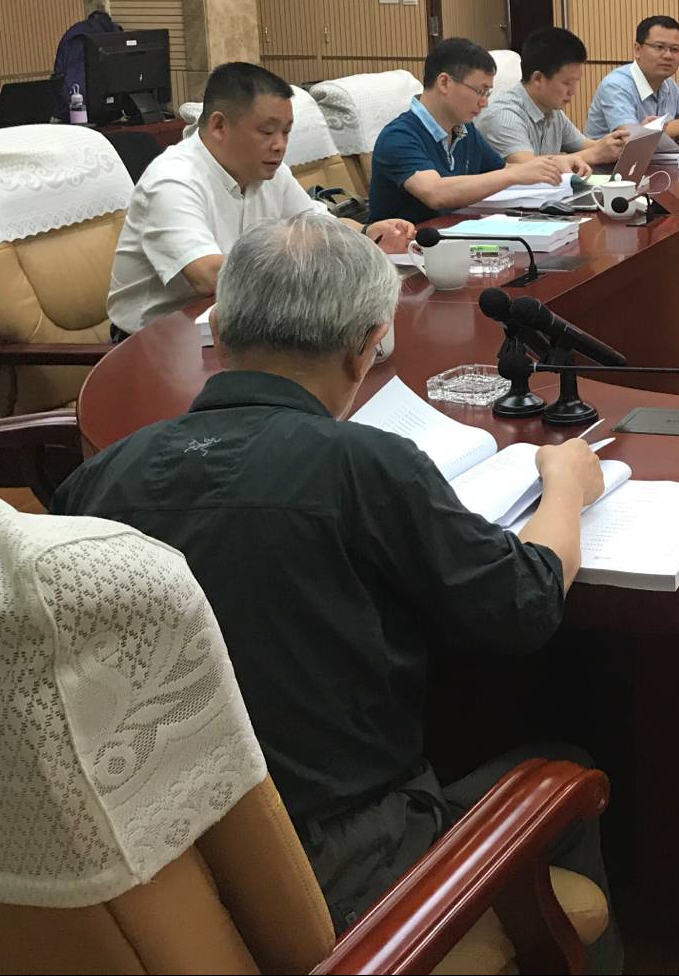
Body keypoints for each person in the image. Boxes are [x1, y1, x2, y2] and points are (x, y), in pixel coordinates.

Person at [59, 214, 622, 968]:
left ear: (218, 333)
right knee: (563, 767)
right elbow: (525, 605)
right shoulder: (364, 465)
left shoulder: (98, 478)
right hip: (345, 865)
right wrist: (566, 486)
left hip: (162, 869)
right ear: (367, 344)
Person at [107, 61, 417, 338]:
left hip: (244, 324)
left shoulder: (268, 171)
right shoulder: (172, 180)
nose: (280, 145)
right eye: (267, 132)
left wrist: (368, 233)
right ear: (219, 126)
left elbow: (316, 225)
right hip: (157, 340)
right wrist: (305, 271)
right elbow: (208, 276)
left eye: (286, 132)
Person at [369, 38, 574, 225]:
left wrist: (552, 165)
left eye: (488, 93)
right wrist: (514, 175)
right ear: (444, 83)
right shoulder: (399, 137)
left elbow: (501, 169)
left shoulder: (464, 129)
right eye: (480, 91)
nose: (484, 102)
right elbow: (435, 192)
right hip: (409, 247)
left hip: (456, 236)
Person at [478, 27, 632, 167]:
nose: (573, 91)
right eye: (567, 83)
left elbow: (588, 146)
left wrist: (619, 143)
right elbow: (527, 167)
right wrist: (594, 154)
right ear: (538, 79)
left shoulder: (551, 110)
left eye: (576, 82)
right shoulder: (504, 115)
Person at [583, 14, 679, 145]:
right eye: (659, 47)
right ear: (637, 50)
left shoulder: (667, 83)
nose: (668, 55)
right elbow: (630, 139)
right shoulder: (616, 85)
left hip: (654, 159)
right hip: (612, 161)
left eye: (675, 49)